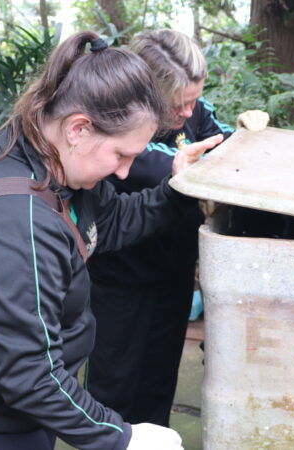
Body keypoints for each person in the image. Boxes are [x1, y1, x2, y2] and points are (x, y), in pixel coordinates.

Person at [0, 31, 206, 450]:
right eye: (121, 155)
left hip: (5, 390)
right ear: (79, 128)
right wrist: (122, 437)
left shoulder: (42, 149)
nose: (126, 172)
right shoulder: (15, 226)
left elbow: (106, 224)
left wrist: (174, 190)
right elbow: (30, 375)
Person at [86, 29, 268, 426]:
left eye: (193, 100)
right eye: (178, 104)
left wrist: (242, 137)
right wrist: (218, 156)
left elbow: (215, 140)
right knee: (114, 384)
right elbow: (171, 164)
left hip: (173, 270)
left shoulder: (193, 109)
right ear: (146, 94)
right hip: (120, 279)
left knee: (159, 376)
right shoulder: (117, 127)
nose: (188, 113)